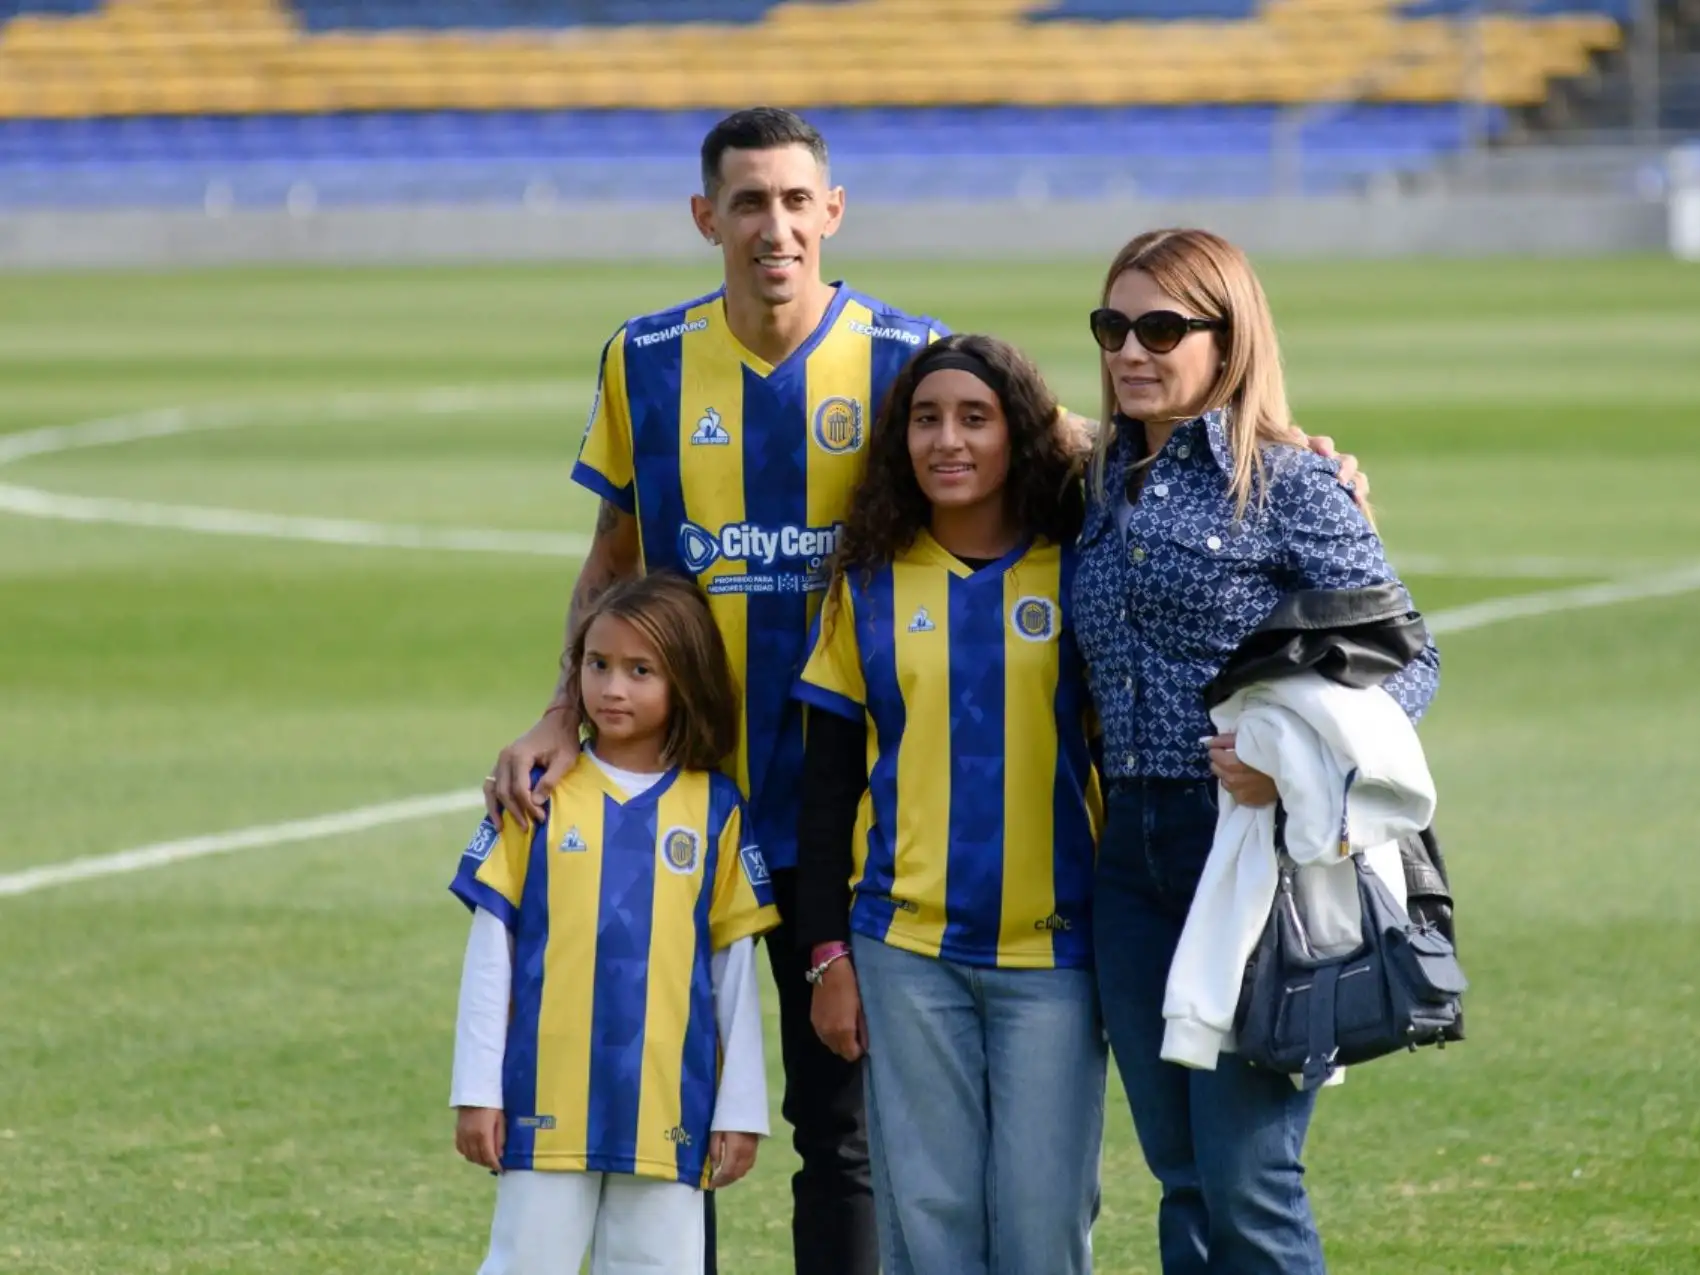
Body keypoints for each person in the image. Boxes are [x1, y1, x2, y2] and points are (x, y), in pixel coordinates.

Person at [481, 105, 1370, 1275]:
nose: (776, 227)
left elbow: (1068, 435)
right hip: (682, 792)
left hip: (845, 825)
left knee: (840, 1138)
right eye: (749, 202)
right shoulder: (641, 359)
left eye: (798, 201)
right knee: (664, 1117)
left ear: (833, 212)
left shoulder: (907, 355)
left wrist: (1262, 442)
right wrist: (561, 705)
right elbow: (617, 554)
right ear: (708, 217)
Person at [1068, 227, 1442, 1275]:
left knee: (1248, 1183)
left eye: (1160, 328)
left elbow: (1408, 661)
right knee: (1182, 1177)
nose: (1131, 350)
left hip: (1246, 855)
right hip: (1126, 860)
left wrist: (1293, 762)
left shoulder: (1288, 483)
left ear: (1228, 339)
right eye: (1112, 327)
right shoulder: (1096, 481)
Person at [794, 335, 1106, 1275]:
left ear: (1021, 434)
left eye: (977, 417)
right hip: (905, 955)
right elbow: (826, 788)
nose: (948, 440)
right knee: (928, 1231)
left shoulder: (1081, 572)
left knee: (1042, 1229)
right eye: (927, 419)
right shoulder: (867, 584)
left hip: (1055, 953)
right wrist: (826, 957)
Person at [447, 573, 779, 1275]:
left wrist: (740, 1107)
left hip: (668, 1103)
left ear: (684, 680)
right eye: (598, 664)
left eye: (640, 670)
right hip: (545, 1100)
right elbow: (491, 956)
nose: (613, 689)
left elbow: (735, 974)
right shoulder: (537, 794)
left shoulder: (717, 809)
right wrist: (477, 1089)